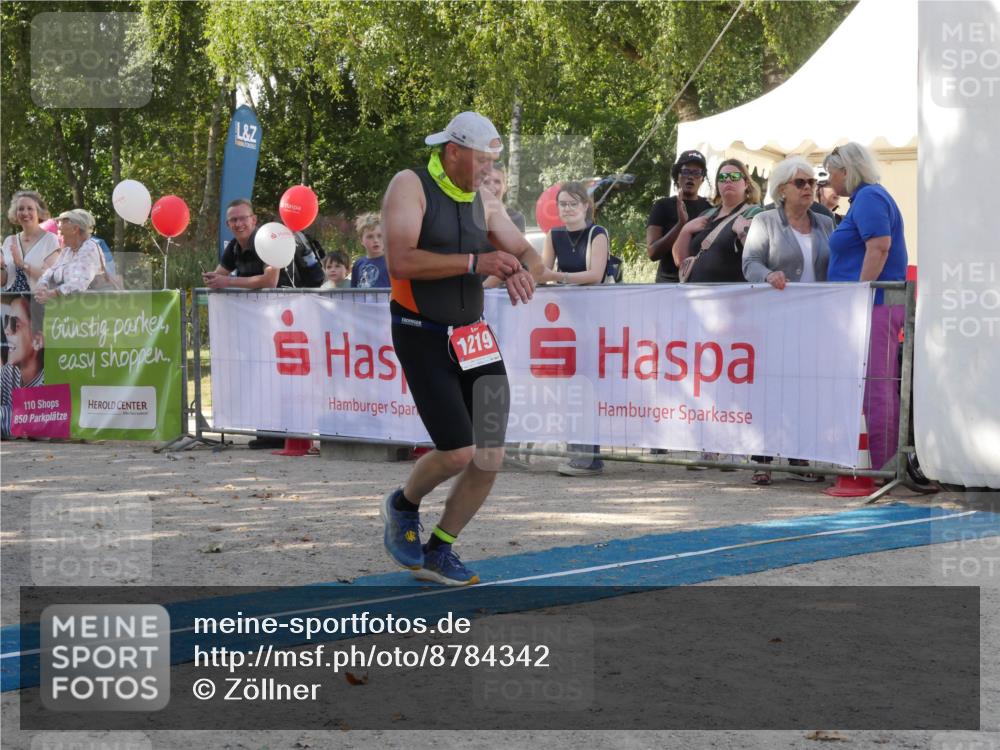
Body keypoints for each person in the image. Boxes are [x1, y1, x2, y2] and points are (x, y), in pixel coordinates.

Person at [380, 110, 544, 586]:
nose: (489, 171)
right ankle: (402, 505)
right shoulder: (409, 185)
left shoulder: (485, 201)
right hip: (420, 328)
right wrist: (477, 259)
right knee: (456, 451)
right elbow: (400, 259)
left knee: (490, 453)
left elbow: (527, 252)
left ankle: (440, 549)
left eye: (494, 160)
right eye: (482, 160)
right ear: (453, 152)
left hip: (472, 334)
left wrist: (522, 273)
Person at [742, 155, 835, 485]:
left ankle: (800, 454)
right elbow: (750, 262)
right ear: (782, 189)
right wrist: (768, 275)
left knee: (807, 386)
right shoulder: (765, 221)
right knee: (773, 385)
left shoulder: (825, 222)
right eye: (801, 182)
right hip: (777, 318)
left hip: (816, 321)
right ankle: (763, 458)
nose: (809, 188)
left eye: (812, 182)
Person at [823, 141, 908, 471]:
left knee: (877, 384)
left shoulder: (870, 197)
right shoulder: (868, 197)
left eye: (831, 174)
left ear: (846, 171)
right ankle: (882, 462)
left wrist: (860, 292)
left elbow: (880, 248)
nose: (830, 182)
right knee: (877, 384)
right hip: (876, 303)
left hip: (877, 304)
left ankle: (884, 464)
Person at [538, 181, 609, 477]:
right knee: (570, 387)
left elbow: (594, 274)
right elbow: (542, 273)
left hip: (594, 318)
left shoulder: (597, 233)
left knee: (588, 385)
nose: (566, 209)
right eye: (562, 204)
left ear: (585, 206)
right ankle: (576, 451)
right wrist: (553, 277)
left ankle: (590, 455)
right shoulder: (553, 235)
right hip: (565, 321)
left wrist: (558, 277)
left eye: (572, 203)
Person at [673, 158, 763, 283]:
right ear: (718, 185)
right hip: (695, 295)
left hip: (731, 297)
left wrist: (743, 233)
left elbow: (763, 257)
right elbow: (680, 262)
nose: (727, 180)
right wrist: (685, 229)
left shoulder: (755, 214)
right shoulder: (706, 214)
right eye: (722, 177)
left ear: (746, 183)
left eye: (734, 176)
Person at [646, 150, 712, 283]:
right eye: (686, 172)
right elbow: (652, 253)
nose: (690, 177)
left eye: (696, 173)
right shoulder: (662, 206)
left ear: (702, 178)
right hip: (668, 283)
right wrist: (681, 224)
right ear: (677, 176)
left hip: (698, 282)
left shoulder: (710, 209)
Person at [203, 199, 280, 290]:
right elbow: (219, 274)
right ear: (228, 224)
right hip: (252, 303)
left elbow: (270, 282)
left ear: (254, 220)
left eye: (243, 218)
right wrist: (211, 278)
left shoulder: (269, 241)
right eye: (233, 220)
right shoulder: (233, 245)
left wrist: (228, 281)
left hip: (282, 302)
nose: (238, 224)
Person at [34, 210, 104, 303]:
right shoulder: (68, 251)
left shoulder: (89, 248)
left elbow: (79, 284)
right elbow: (50, 272)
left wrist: (52, 294)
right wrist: (43, 285)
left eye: (62, 226)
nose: (59, 231)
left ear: (75, 229)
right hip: (71, 308)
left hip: (91, 307)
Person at [1, 294, 45, 438]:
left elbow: (36, 426)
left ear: (37, 340)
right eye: (6, 321)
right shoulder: (9, 371)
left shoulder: (48, 380)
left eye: (15, 325)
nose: (7, 330)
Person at [2, 191, 61, 293]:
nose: (25, 213)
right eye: (20, 209)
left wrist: (22, 264)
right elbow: (4, 281)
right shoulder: (9, 241)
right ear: (15, 213)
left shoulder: (50, 240)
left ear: (39, 212)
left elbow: (52, 278)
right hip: (9, 302)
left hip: (38, 301)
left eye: (30, 208)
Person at [350, 213, 390, 289]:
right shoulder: (358, 264)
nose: (376, 240)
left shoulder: (392, 262)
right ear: (361, 240)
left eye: (380, 236)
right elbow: (354, 292)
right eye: (370, 236)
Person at [482, 164, 526, 232]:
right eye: (486, 182)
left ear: (505, 187)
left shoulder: (516, 218)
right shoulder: (469, 215)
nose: (491, 187)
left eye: (497, 182)